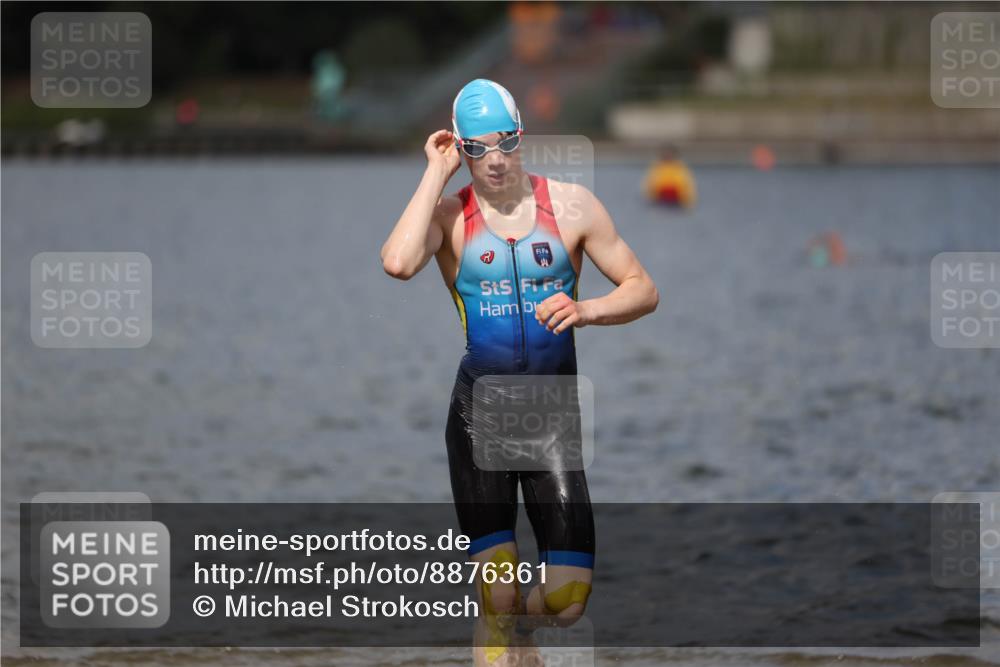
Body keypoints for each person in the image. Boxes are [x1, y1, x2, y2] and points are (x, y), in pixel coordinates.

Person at [381, 79, 658, 666]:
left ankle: (506, 628)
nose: (497, 159)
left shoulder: (573, 206)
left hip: (551, 420)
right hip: (479, 419)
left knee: (567, 599)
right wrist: (435, 171)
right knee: (499, 588)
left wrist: (588, 310)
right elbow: (399, 263)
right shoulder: (452, 215)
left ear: (521, 136)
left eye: (506, 142)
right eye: (478, 149)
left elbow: (643, 289)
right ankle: (499, 628)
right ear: (460, 147)